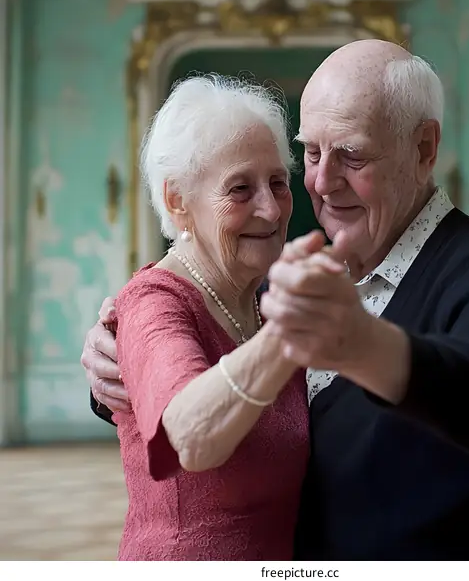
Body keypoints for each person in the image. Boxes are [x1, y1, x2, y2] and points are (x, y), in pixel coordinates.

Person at [82, 39, 469, 560]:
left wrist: (370, 349)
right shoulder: (295, 272)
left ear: (424, 150)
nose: (320, 182)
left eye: (352, 156)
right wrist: (123, 367)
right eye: (311, 153)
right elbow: (209, 385)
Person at [97, 73, 310, 561]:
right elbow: (187, 437)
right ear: (178, 201)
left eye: (278, 182)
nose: (271, 209)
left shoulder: (263, 298)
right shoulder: (154, 301)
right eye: (240, 188)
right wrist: (291, 332)